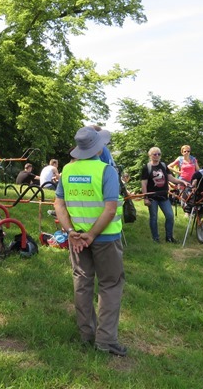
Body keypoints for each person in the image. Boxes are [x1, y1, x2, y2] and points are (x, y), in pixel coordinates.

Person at [53, 126, 127, 357]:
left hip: (76, 238)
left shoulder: (67, 170)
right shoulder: (106, 171)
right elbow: (110, 207)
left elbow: (58, 204)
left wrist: (70, 231)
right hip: (105, 238)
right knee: (110, 285)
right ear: (99, 147)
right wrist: (92, 234)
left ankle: (86, 334)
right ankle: (106, 340)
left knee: (82, 282)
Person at [140, 147, 188, 243]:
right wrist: (145, 198)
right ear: (150, 155)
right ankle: (155, 238)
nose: (157, 156)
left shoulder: (163, 166)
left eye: (159, 154)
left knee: (170, 216)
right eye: (155, 154)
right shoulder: (147, 168)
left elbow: (171, 178)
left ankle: (169, 238)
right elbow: (144, 184)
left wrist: (182, 182)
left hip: (164, 196)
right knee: (154, 218)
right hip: (152, 197)